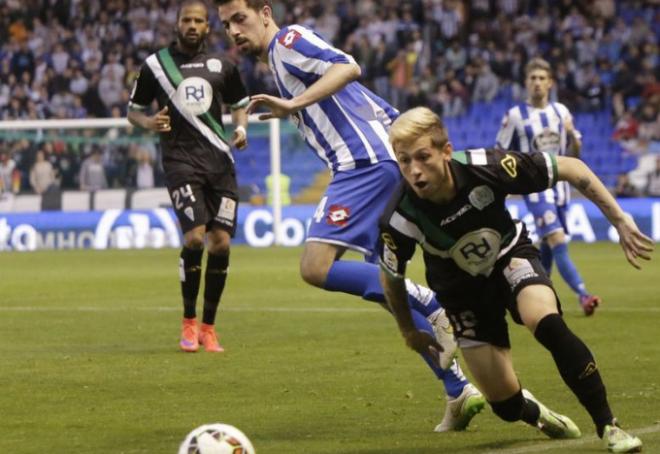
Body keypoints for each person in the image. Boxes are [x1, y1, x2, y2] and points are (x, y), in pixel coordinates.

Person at [216, 0, 485, 431]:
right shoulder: (280, 62)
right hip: (379, 162)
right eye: (226, 24)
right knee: (383, 289)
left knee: (315, 267)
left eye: (240, 19)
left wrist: (295, 104)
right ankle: (457, 389)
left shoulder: (288, 41)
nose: (233, 30)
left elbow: (349, 67)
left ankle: (430, 302)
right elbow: (369, 101)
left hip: (360, 165)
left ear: (265, 13)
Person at [379, 106, 652, 452]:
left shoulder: (486, 166)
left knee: (546, 322)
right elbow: (391, 276)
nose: (415, 171)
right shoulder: (399, 216)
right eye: (404, 162)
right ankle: (536, 412)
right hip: (461, 294)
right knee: (505, 405)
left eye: (423, 157)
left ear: (446, 151)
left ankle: (609, 427)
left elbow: (571, 167)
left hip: (509, 255)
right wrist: (408, 332)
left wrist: (620, 219)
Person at [127, 0, 249, 353]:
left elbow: (240, 104)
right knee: (195, 238)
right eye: (187, 20)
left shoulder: (223, 65)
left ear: (208, 27)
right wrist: (150, 123)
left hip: (219, 162)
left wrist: (241, 130)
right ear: (177, 24)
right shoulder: (155, 65)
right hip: (180, 162)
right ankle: (188, 322)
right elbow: (133, 112)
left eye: (199, 20)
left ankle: (209, 328)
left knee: (221, 243)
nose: (192, 25)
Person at [496, 58, 602, 316]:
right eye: (533, 79)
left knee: (547, 246)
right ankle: (583, 295)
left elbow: (574, 152)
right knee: (557, 239)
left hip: (562, 188)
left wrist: (571, 134)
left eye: (542, 78)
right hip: (536, 188)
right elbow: (499, 151)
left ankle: (536, 295)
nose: (537, 83)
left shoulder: (561, 113)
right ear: (526, 83)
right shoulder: (515, 116)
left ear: (550, 83)